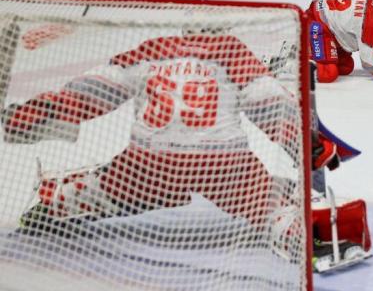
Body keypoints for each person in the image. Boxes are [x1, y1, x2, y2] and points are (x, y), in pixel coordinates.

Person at [2, 31, 302, 238]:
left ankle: (58, 204)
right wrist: (308, 142)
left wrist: (33, 114)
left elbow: (94, 90)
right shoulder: (231, 51)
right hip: (223, 167)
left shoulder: (153, 49)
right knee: (270, 199)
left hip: (148, 164)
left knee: (107, 186)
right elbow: (270, 103)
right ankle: (288, 227)